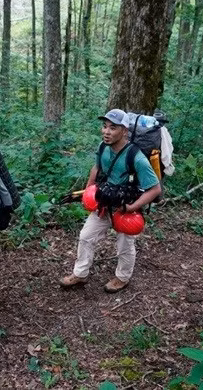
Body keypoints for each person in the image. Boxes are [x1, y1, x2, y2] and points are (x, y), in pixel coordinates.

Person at [59, 109, 162, 293]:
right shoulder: (102, 148)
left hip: (125, 207)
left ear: (124, 131)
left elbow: (155, 189)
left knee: (124, 245)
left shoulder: (136, 157)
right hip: (104, 201)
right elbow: (96, 168)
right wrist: (88, 192)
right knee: (85, 237)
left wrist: (132, 207)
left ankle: (122, 278)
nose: (106, 131)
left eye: (113, 128)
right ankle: (80, 274)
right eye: (105, 126)